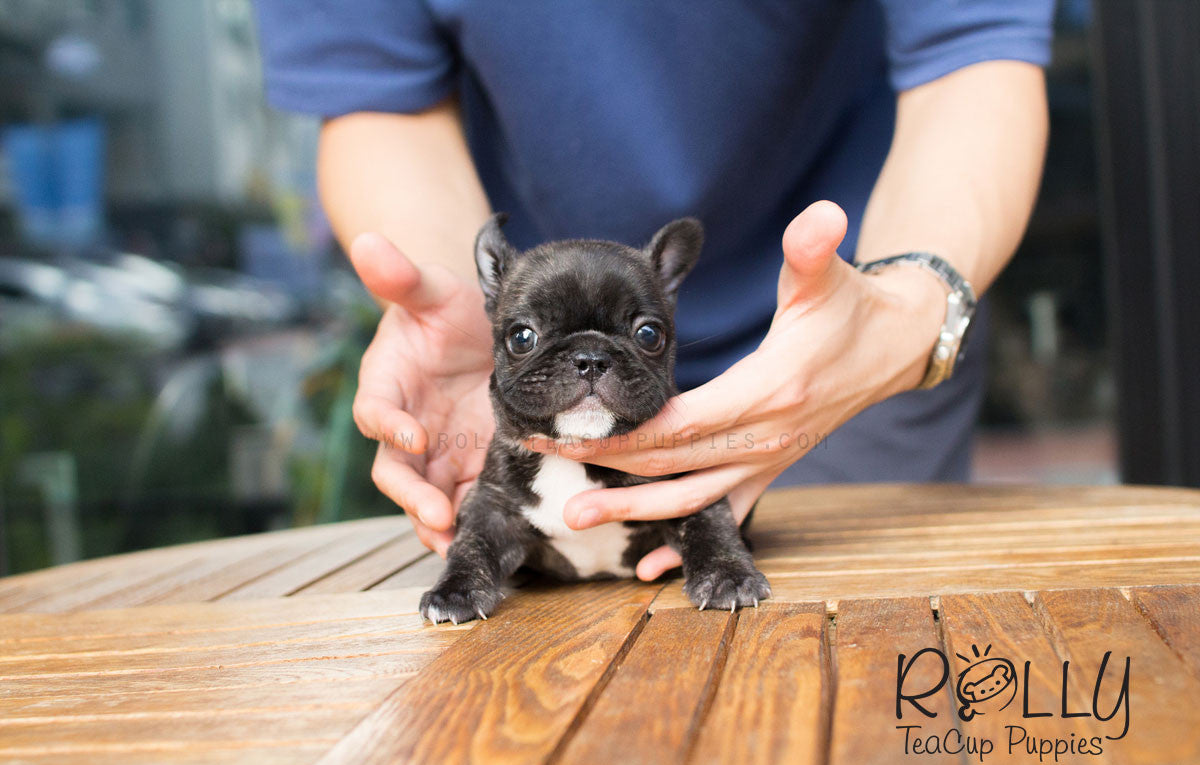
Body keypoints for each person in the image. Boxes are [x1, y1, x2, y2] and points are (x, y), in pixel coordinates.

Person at [254, 1, 1053, 580]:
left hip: (855, 311)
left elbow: (974, 49)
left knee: (863, 652)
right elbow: (378, 94)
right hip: (515, 337)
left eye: (626, 342)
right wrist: (463, 305)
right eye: (537, 342)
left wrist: (911, 302)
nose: (587, 365)